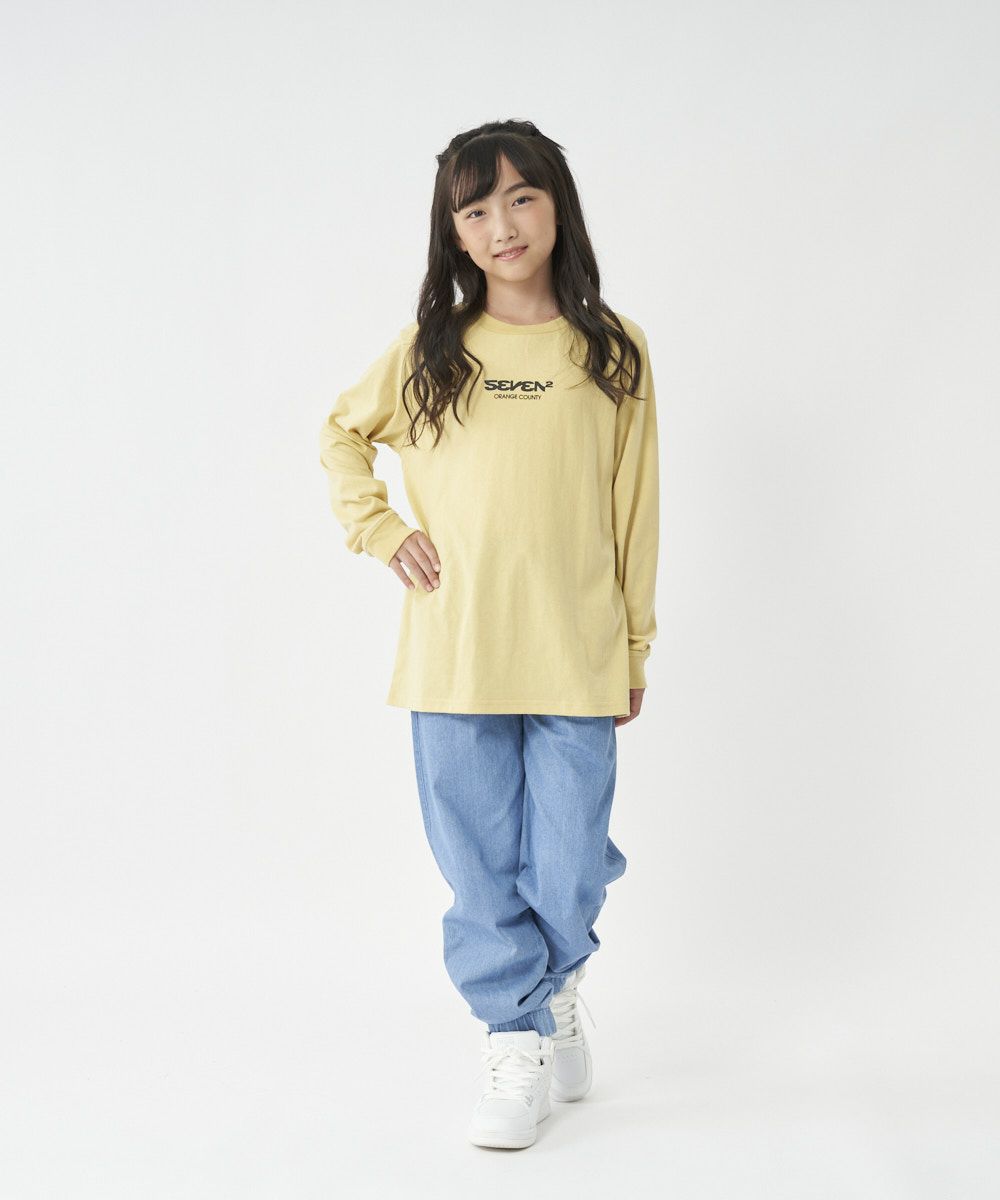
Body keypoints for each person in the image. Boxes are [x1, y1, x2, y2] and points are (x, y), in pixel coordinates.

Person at [318, 119, 660, 1150]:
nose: (501, 224)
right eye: (475, 209)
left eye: (520, 197)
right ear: (454, 233)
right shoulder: (431, 351)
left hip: (576, 648)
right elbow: (341, 433)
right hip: (455, 652)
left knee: (568, 865)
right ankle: (514, 1034)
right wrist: (381, 530)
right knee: (478, 866)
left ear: (556, 206)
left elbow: (635, 510)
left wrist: (633, 647)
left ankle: (555, 986)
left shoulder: (612, 349)